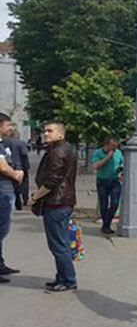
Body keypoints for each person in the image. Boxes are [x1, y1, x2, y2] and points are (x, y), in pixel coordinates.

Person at [30, 122, 78, 292]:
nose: (46, 134)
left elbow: (52, 181)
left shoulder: (57, 152)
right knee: (61, 243)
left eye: (50, 131)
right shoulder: (65, 149)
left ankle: (68, 280)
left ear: (61, 134)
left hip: (57, 202)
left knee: (58, 245)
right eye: (45, 131)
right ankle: (62, 277)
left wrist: (35, 197)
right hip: (63, 201)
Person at [0, 114, 24, 283]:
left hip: (5, 188)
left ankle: (0, 264)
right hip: (2, 189)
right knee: (1, 229)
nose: (10, 128)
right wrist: (16, 174)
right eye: (8, 125)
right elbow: (2, 166)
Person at [91, 137, 124, 234]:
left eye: (116, 146)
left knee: (114, 203)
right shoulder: (98, 153)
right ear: (106, 145)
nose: (114, 148)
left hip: (115, 181)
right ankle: (106, 226)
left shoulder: (118, 153)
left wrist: (121, 167)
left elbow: (122, 162)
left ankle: (106, 224)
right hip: (102, 181)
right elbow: (95, 166)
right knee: (103, 204)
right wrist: (107, 157)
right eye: (112, 146)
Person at [4, 126, 30, 210]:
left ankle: (15, 201)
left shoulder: (4, 142)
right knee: (23, 184)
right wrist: (26, 166)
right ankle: (24, 200)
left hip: (8, 165)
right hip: (20, 166)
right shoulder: (21, 142)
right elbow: (24, 155)